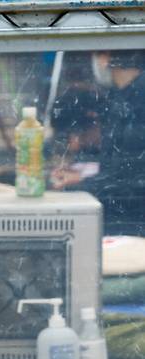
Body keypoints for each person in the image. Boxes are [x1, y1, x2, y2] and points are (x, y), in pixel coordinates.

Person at [51, 50, 145, 237]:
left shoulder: (137, 102)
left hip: (132, 226)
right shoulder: (122, 97)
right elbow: (118, 168)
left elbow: (133, 179)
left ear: (106, 55)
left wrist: (82, 184)